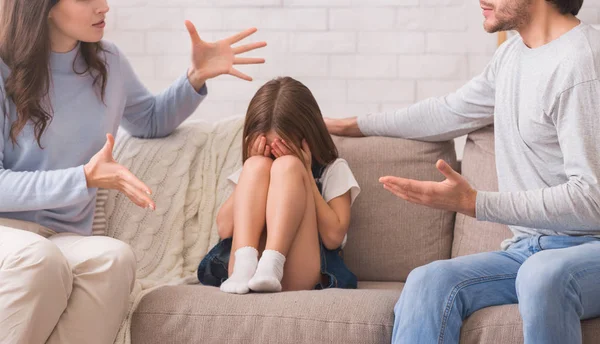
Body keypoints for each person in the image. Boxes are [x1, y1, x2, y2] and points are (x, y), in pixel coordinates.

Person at [326, 0, 600, 343]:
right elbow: (448, 112)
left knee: (541, 274)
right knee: (429, 280)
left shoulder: (584, 61)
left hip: (589, 247)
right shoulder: (512, 55)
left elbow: (592, 199)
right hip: (528, 248)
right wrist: (352, 125)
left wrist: (476, 203)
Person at [0, 0, 266, 343]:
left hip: (62, 235)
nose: (104, 6)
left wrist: (195, 77)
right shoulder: (3, 68)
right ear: (44, 7)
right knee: (41, 261)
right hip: (8, 230)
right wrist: (82, 178)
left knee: (114, 258)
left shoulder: (107, 63)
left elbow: (150, 120)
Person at [197, 77, 361, 294]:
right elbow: (225, 228)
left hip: (297, 271)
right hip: (243, 273)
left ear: (307, 139)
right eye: (268, 148)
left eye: (282, 148)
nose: (274, 156)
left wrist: (304, 175)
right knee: (257, 166)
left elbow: (333, 238)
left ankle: (272, 263)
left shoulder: (333, 169)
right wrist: (251, 167)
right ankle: (246, 265)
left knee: (288, 167)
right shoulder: (255, 167)